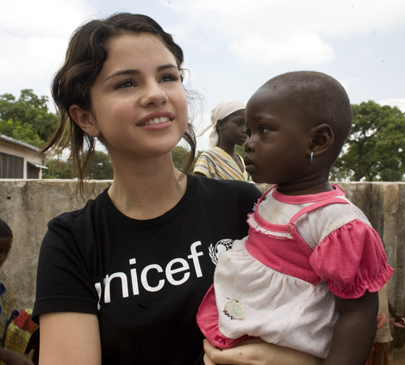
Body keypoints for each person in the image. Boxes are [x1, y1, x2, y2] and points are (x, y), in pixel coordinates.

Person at [32, 13, 322, 365]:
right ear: (86, 118)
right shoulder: (73, 242)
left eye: (167, 77)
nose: (156, 94)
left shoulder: (245, 206)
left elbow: (314, 318)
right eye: (126, 83)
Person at [197, 71, 394, 365]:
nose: (249, 143)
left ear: (317, 141)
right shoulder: (274, 196)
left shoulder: (335, 222)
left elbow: (357, 313)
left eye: (263, 130)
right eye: (249, 132)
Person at [0, 219, 34, 365]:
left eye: (6, 251)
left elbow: (8, 318)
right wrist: (7, 356)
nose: (2, 258)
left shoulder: (2, 281)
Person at [194, 99, 249, 181]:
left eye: (247, 125)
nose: (245, 130)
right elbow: (198, 190)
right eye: (239, 123)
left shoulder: (241, 160)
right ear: (220, 124)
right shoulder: (209, 158)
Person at [367, 282, 405, 365]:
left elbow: (383, 295)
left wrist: (394, 313)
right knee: (367, 352)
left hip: (381, 319)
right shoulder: (360, 273)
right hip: (366, 321)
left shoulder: (381, 272)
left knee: (380, 349)